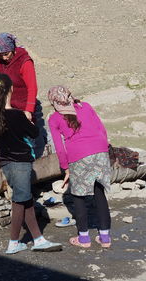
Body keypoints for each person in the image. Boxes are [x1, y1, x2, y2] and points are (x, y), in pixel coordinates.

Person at [0, 73, 62, 254]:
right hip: (20, 163)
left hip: (6, 164)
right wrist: (28, 118)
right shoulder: (17, 115)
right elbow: (34, 133)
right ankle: (13, 242)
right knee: (20, 201)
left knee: (25, 199)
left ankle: (38, 238)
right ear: (11, 89)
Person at [47, 86, 112, 248]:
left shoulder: (54, 118)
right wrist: (104, 150)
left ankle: (84, 239)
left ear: (54, 102)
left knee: (78, 196)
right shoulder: (86, 107)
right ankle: (105, 238)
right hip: (101, 151)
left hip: (79, 155)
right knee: (99, 192)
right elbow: (102, 130)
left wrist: (65, 168)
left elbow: (59, 147)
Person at [0, 33, 47, 158]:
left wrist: (29, 110)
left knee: (29, 139)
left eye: (6, 54)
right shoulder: (0, 60)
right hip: (9, 106)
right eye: (0, 54)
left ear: (13, 49)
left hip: (23, 105)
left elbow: (32, 88)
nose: (4, 58)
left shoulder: (25, 62)